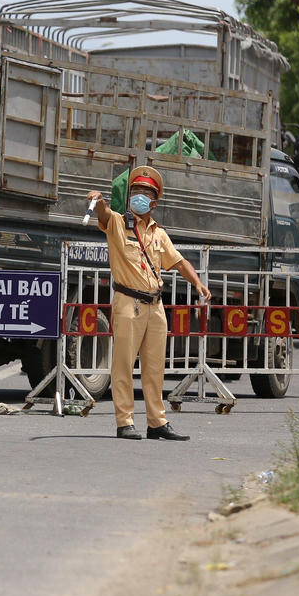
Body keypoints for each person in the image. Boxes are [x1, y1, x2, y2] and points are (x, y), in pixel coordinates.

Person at [86, 165, 211, 441]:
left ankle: (157, 422)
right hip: (128, 303)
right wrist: (100, 203)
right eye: (135, 191)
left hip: (155, 307)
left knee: (155, 368)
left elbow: (178, 261)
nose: (139, 196)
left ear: (154, 201)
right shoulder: (119, 223)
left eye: (145, 193)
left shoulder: (159, 234)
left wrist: (197, 282)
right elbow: (104, 215)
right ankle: (125, 421)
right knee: (123, 365)